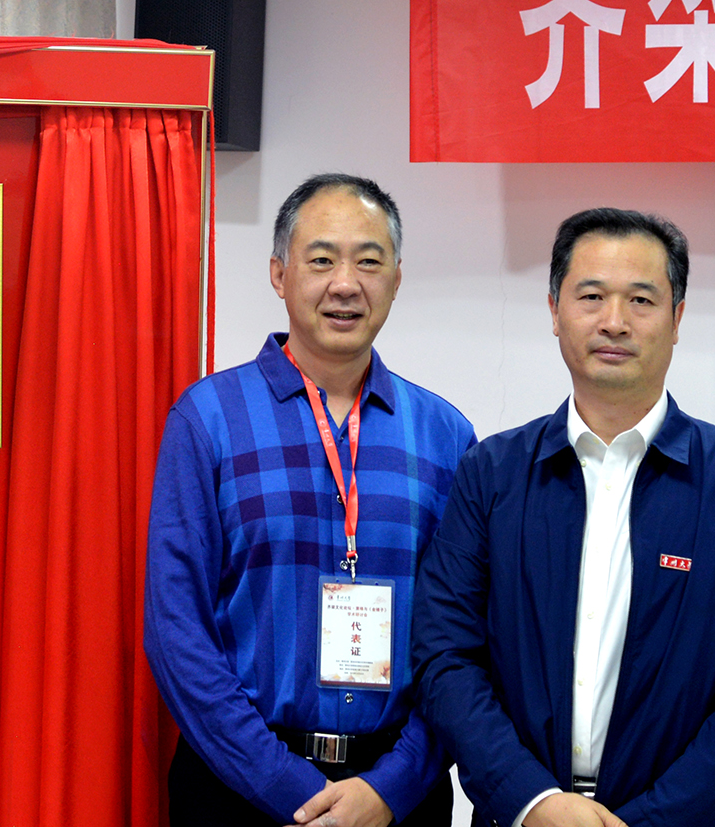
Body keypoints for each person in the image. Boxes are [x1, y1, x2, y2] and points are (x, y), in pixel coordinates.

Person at [413, 207, 715, 827]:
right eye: (591, 296)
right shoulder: (491, 472)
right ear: (554, 311)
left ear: (677, 318)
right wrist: (532, 801)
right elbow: (445, 655)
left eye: (641, 300)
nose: (614, 321)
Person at [146, 174, 475, 827]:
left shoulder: (446, 437)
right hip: (237, 789)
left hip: (397, 799)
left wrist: (391, 787)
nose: (345, 284)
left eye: (369, 262)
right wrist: (286, 786)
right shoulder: (208, 420)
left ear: (396, 280)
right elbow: (176, 629)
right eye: (321, 260)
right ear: (279, 274)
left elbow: (464, 636)